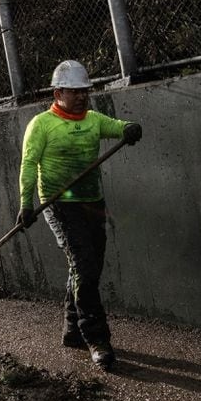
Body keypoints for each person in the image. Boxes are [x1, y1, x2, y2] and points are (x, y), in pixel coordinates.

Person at [16, 60, 142, 370]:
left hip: (91, 202)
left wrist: (129, 128)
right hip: (59, 205)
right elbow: (29, 164)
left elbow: (116, 126)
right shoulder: (42, 124)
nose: (82, 97)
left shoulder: (93, 120)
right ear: (58, 93)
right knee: (84, 267)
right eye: (74, 92)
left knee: (88, 267)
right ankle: (96, 339)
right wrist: (26, 204)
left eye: (84, 91)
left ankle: (72, 330)